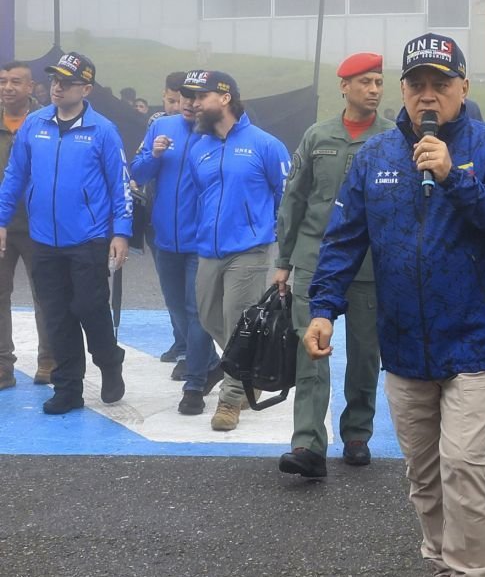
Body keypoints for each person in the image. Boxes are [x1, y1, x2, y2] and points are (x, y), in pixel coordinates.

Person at [305, 33, 485, 576]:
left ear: (462, 87)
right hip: (405, 342)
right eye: (417, 85)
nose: (427, 96)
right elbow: (343, 239)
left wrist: (454, 177)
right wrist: (322, 307)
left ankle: (472, 568)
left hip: (476, 340)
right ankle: (440, 556)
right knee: (425, 473)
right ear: (403, 91)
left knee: (464, 466)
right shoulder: (376, 156)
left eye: (440, 84)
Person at [273, 53, 387, 478]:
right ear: (344, 86)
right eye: (365, 82)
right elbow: (295, 200)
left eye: (378, 82)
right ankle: (307, 444)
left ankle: (356, 434)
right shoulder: (317, 136)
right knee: (311, 355)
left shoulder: (391, 138)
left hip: (368, 265)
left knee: (364, 355)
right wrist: (284, 260)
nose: (374, 89)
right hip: (313, 262)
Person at [0, 52, 131, 414]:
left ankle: (109, 360)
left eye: (67, 82)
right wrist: (1, 219)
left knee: (90, 308)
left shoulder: (103, 130)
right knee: (57, 315)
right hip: (44, 239)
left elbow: (119, 184)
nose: (57, 86)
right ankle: (68, 388)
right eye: (55, 80)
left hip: (87, 239)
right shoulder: (34, 124)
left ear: (86, 88)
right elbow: (15, 175)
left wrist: (121, 232)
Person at [183, 70, 290, 432]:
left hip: (250, 249)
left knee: (237, 322)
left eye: (201, 96)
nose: (194, 104)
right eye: (192, 97)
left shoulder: (265, 145)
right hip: (208, 251)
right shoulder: (199, 148)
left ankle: (231, 400)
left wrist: (280, 246)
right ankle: (249, 371)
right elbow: (200, 197)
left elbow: (286, 197)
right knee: (208, 317)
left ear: (225, 98)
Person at [129, 72, 221, 414]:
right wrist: (153, 154)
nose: (189, 102)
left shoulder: (219, 132)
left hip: (203, 241)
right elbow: (136, 175)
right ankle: (209, 361)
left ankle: (195, 384)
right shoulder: (160, 127)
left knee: (197, 311)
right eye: (184, 95)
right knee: (177, 308)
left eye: (197, 96)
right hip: (165, 238)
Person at [0, 61, 54, 389]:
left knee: (45, 296)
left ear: (31, 87)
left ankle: (49, 358)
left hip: (39, 225)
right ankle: (3, 364)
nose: (7, 87)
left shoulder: (46, 122)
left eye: (15, 82)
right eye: (3, 81)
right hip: (1, 224)